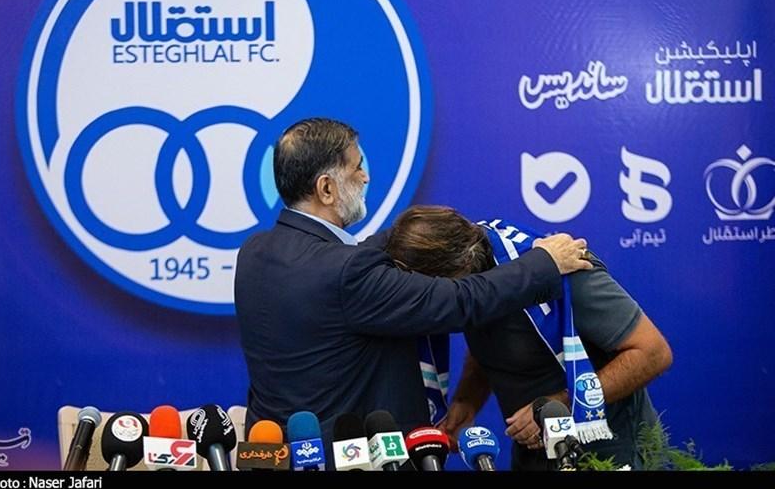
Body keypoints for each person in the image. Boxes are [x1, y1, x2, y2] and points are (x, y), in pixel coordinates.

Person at [234, 118, 592, 444]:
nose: (365, 177)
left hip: (280, 454)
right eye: (357, 167)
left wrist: (425, 230)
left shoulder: (254, 253)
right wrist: (544, 263)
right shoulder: (347, 273)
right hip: (355, 461)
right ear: (326, 189)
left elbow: (347, 257)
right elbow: (459, 300)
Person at [384, 205, 673, 470]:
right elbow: (492, 343)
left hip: (610, 453)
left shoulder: (564, 272)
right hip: (533, 455)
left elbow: (653, 353)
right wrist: (467, 401)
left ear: (458, 270)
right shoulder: (474, 290)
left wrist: (556, 408)